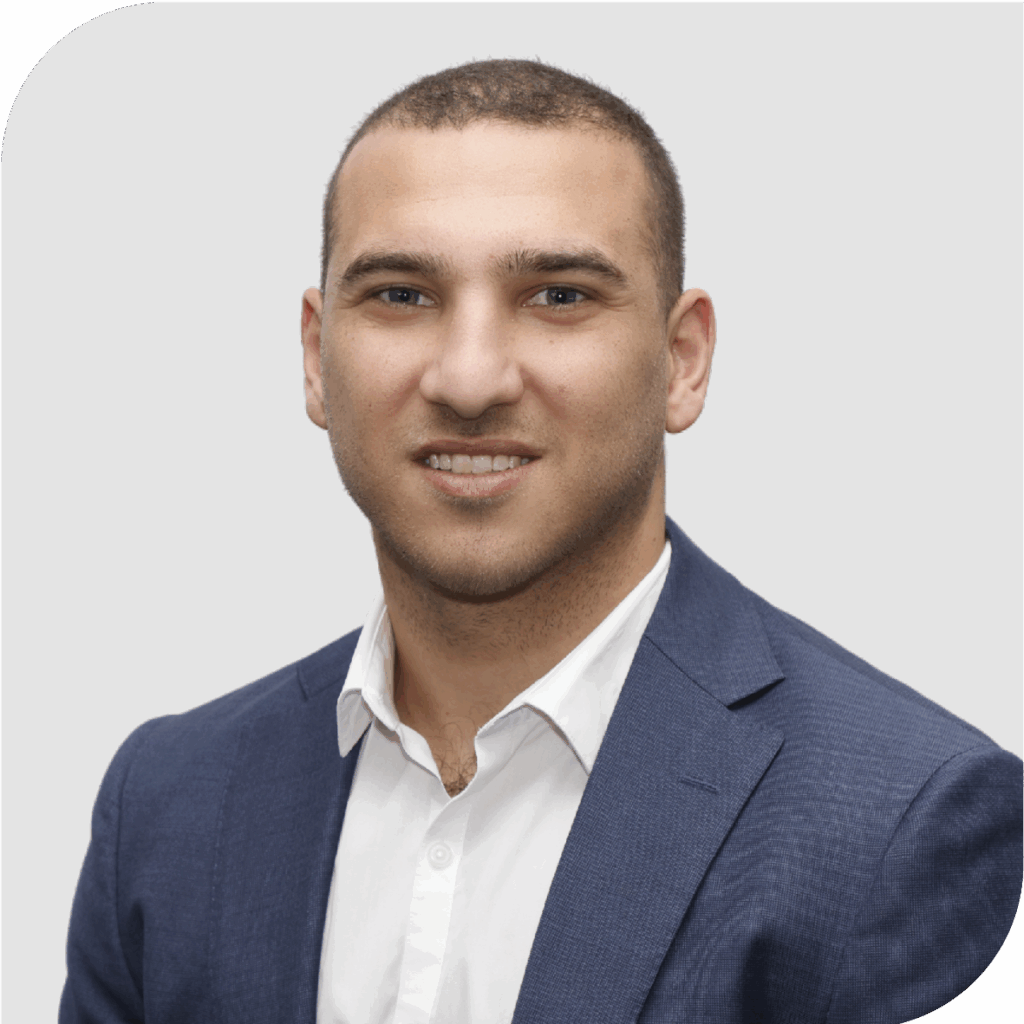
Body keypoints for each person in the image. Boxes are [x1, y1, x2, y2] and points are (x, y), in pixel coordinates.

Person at [60, 58, 1021, 1024]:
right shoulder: (167, 806)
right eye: (401, 294)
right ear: (316, 359)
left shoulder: (909, 826)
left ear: (682, 362)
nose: (470, 379)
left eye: (558, 295)